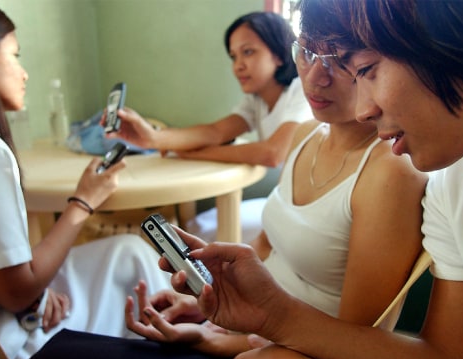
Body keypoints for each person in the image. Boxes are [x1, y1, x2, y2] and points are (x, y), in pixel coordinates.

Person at [26, 3, 428, 359]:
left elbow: (350, 342)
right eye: (307, 52)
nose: (316, 76)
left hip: (271, 350)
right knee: (58, 350)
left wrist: (214, 339)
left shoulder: (390, 173)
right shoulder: (306, 134)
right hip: (245, 332)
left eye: (341, 60)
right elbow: (267, 246)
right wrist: (211, 302)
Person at [155, 0, 463, 359]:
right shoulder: (456, 189)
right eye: (306, 54)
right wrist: (258, 316)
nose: (363, 110)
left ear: (455, 40)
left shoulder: (396, 172)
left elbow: (362, 327)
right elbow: (453, 358)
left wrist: (246, 340)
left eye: (364, 68)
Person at [0, 1, 172, 359]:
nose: (23, 74)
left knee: (125, 252)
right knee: (131, 258)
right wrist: (82, 203)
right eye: (14, 56)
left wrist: (34, 295)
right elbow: (16, 292)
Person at [111, 11, 314, 244]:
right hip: (286, 200)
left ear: (279, 54)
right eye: (233, 56)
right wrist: (154, 139)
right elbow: (215, 132)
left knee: (205, 237)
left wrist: (193, 153)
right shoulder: (255, 100)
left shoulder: (300, 89)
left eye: (248, 52)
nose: (238, 66)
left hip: (308, 209)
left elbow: (272, 153)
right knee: (198, 227)